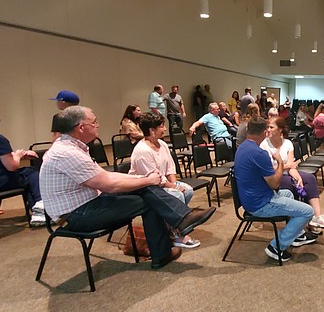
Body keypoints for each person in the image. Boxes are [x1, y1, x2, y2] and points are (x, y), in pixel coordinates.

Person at [40, 106, 216, 269]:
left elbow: (108, 176)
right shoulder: (67, 153)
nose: (98, 125)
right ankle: (169, 241)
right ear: (80, 128)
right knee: (149, 198)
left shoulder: (73, 148)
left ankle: (180, 222)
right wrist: (147, 180)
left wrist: (143, 179)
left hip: (88, 204)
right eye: (94, 122)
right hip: (77, 215)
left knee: (145, 189)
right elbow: (109, 184)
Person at [234, 116, 316, 262]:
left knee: (289, 193)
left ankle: (296, 235)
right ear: (265, 132)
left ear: (247, 130)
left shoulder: (242, 148)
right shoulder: (260, 153)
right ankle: (276, 247)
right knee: (308, 211)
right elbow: (275, 184)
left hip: (250, 199)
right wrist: (279, 161)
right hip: (260, 204)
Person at [130, 112, 199, 249]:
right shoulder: (142, 151)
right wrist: (173, 188)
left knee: (188, 190)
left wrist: (174, 184)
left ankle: (172, 224)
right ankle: (177, 232)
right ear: (151, 130)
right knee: (178, 194)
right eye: (161, 126)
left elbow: (169, 167)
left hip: (161, 184)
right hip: (147, 188)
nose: (165, 129)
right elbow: (153, 178)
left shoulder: (161, 143)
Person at [260, 117, 324, 231]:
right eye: (267, 127)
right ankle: (299, 223)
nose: (268, 130)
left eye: (271, 127)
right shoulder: (264, 145)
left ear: (280, 130)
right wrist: (287, 166)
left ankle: (316, 216)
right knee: (292, 185)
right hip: (273, 178)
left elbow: (292, 166)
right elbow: (270, 169)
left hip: (286, 173)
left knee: (309, 179)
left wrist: (297, 176)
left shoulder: (288, 143)